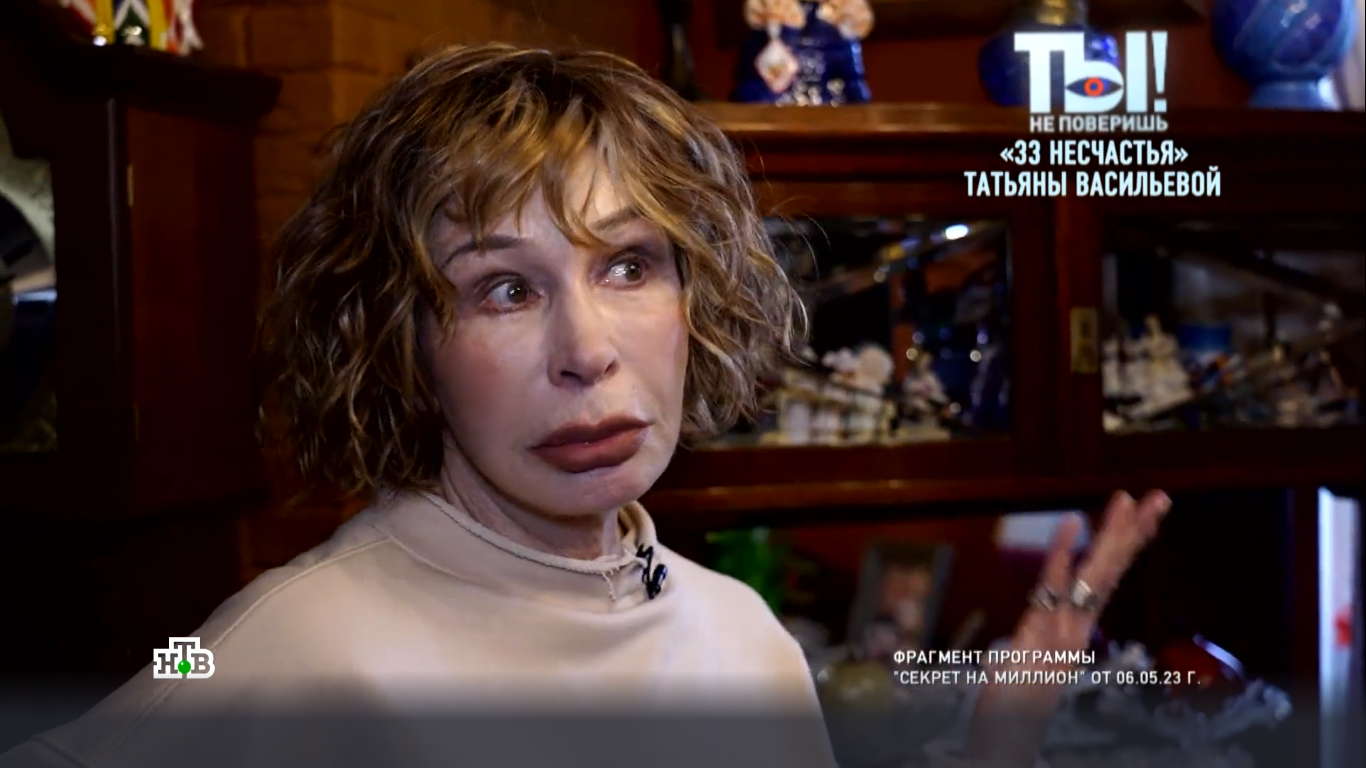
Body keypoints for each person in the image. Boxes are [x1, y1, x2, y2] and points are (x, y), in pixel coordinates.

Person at [0, 44, 1170, 768]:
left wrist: (997, 743)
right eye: (504, 289)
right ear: (402, 341)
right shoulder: (287, 644)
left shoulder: (741, 637)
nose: (587, 352)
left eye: (627, 266)